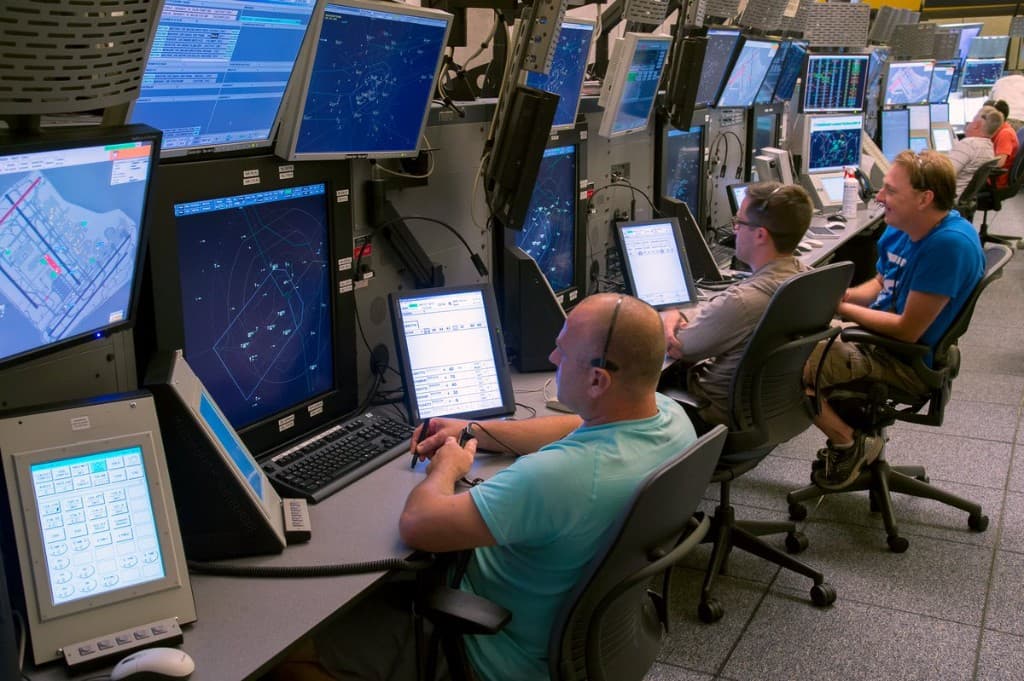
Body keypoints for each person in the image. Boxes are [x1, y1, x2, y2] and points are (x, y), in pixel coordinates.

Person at [275, 293, 697, 681]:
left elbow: (419, 523)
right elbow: (575, 424)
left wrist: (447, 467)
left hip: (495, 648)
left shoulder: (560, 477)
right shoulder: (669, 417)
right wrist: (475, 429)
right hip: (584, 639)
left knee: (288, 657)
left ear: (597, 381)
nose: (552, 356)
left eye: (563, 352)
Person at [805, 150, 985, 491]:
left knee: (783, 362)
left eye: (890, 190)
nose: (879, 196)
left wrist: (841, 311)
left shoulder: (948, 246)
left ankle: (848, 442)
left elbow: (907, 330)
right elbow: (880, 283)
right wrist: (841, 298)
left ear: (924, 198)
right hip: (876, 336)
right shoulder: (902, 226)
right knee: (793, 333)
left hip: (902, 359)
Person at [660, 181, 813, 428]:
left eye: (739, 223)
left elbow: (679, 348)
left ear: (761, 234)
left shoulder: (743, 302)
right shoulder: (805, 277)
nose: (735, 231)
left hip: (711, 411)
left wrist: (670, 314)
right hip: (764, 409)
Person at [946, 105, 999, 198]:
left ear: (976, 125)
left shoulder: (968, 144)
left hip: (948, 197)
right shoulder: (988, 147)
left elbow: (944, 174)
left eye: (971, 121)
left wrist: (931, 160)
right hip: (963, 197)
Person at [984, 98, 1018, 188]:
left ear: (1000, 116)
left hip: (996, 181)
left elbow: (1000, 163)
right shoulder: (999, 130)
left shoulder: (1005, 134)